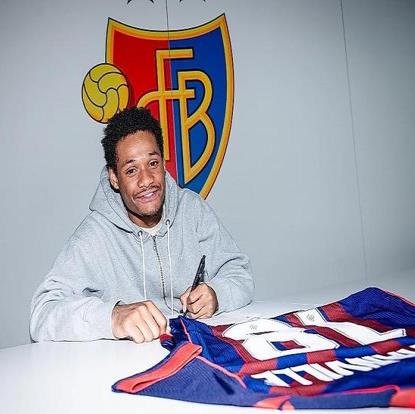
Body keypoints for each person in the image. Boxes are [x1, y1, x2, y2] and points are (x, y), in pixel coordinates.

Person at [30, 107, 254, 343]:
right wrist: (112, 317)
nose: (146, 180)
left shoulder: (192, 209)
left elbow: (240, 274)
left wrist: (217, 294)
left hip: (196, 350)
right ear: (114, 178)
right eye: (131, 170)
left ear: (163, 163)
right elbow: (43, 314)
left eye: (153, 163)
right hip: (132, 361)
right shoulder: (95, 235)